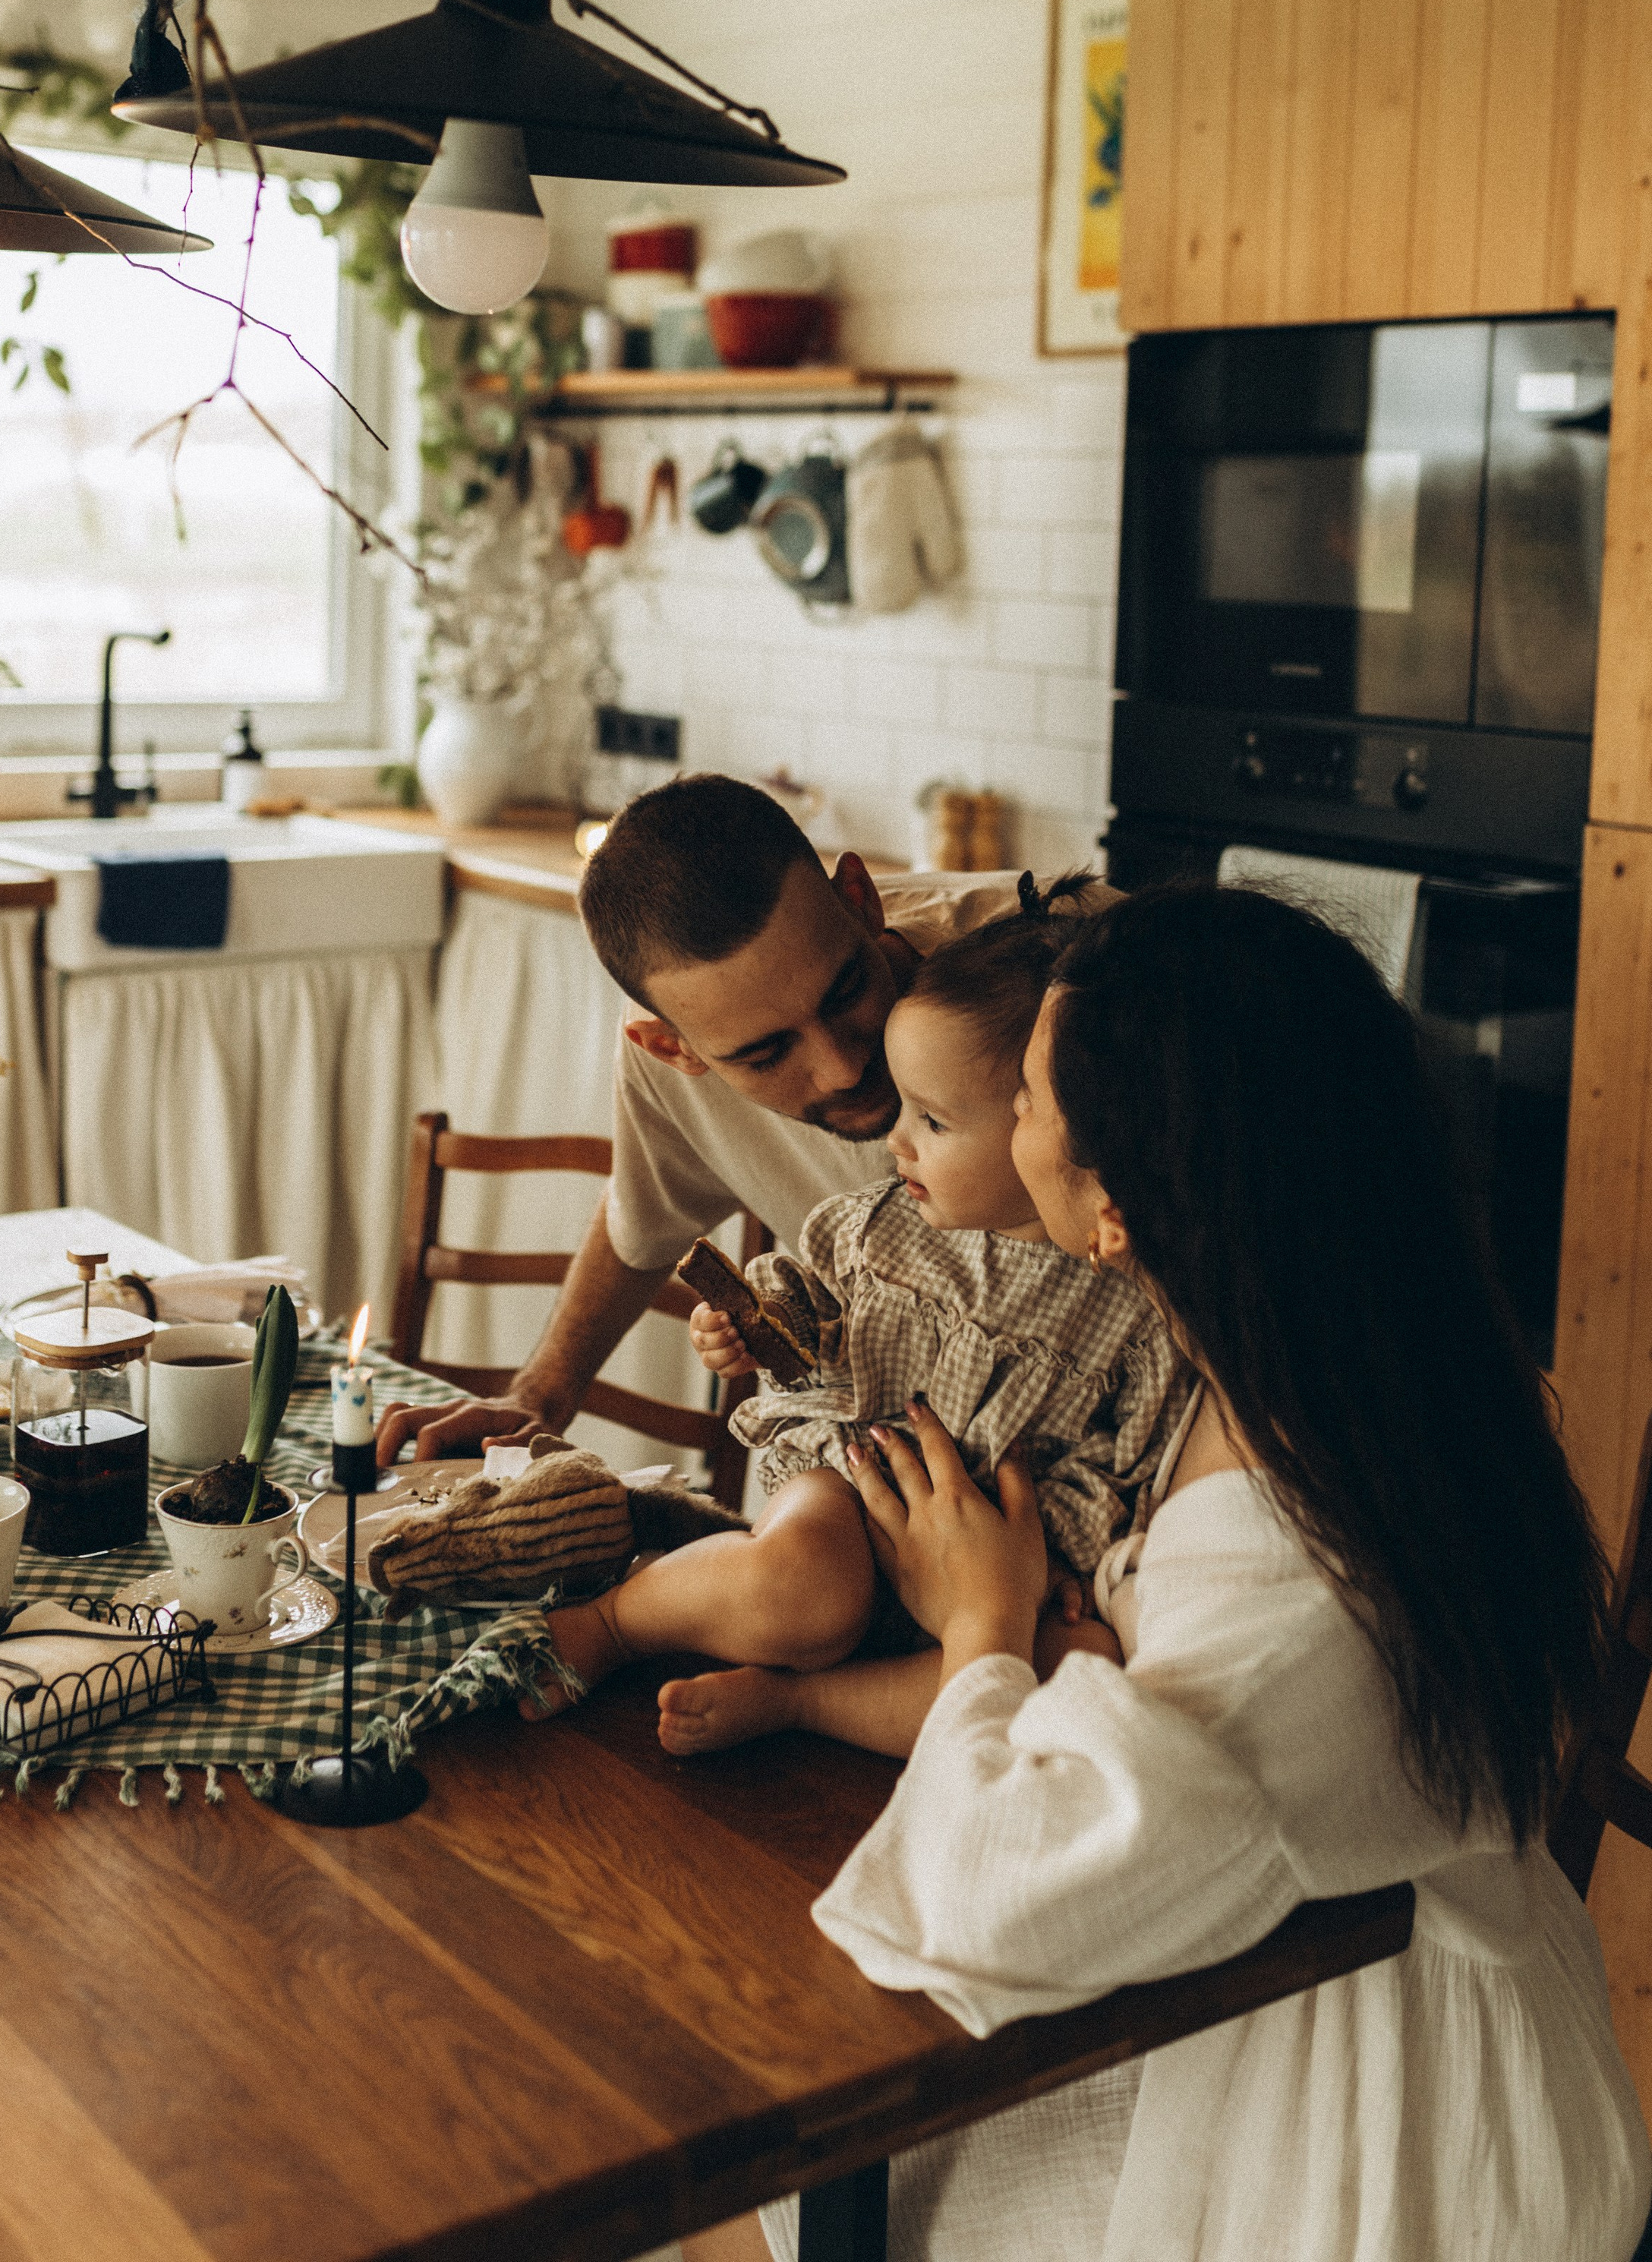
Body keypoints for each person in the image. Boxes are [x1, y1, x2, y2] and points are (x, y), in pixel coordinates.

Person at [699, 884, 1650, 2262]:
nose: (994, 1126)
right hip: (1304, 1959)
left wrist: (983, 1625)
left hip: (1377, 2148)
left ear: (1114, 1206)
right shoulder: (1361, 1368)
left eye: (1022, 1098)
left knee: (765, 2200)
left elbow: (989, 1901)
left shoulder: (1297, 1592)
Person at [377, 775, 1058, 1469]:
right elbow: (637, 1225)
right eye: (767, 1054)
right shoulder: (665, 1072)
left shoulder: (1059, 962)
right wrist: (537, 1400)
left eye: (846, 990)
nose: (842, 1070)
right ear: (675, 1050)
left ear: (860, 900)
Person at [643, 904, 1187, 1758]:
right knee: (799, 1580)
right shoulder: (879, 1225)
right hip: (846, 1518)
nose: (895, 1137)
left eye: (932, 1120)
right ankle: (614, 1618)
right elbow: (815, 1323)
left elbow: (1122, 1464)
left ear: (1051, 1125)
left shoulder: (1126, 1301)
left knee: (1080, 1663)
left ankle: (803, 1702)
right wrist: (760, 1327)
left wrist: (1041, 1561)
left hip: (988, 1579)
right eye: (905, 1106)